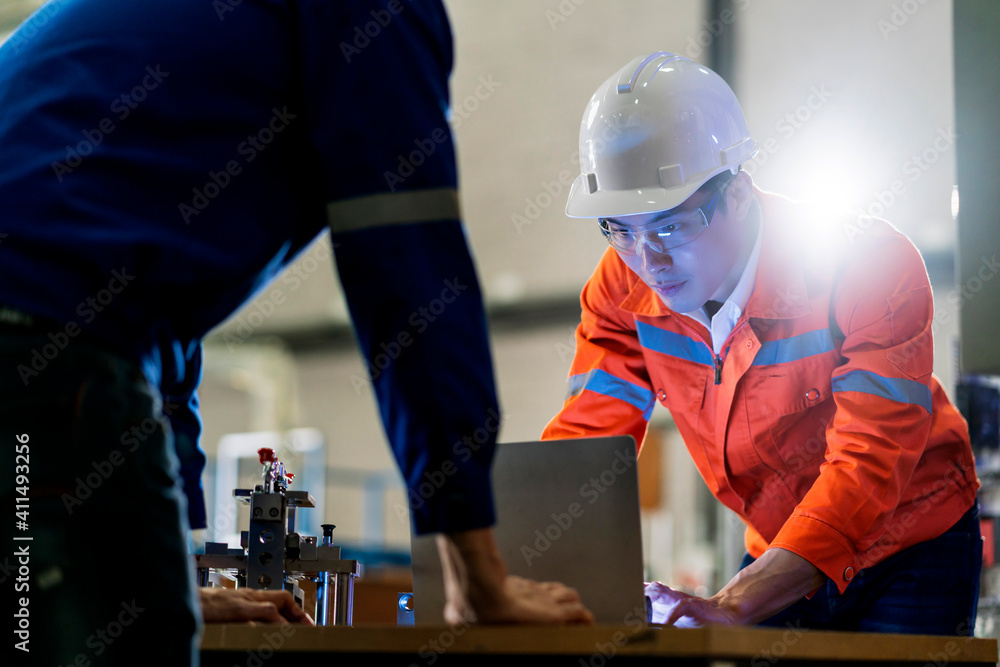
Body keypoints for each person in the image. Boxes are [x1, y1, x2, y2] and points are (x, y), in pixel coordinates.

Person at [0, 1, 591, 665]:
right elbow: (408, 268)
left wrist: (183, 570)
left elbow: (155, 313)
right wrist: (476, 572)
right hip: (38, 368)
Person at [543, 51, 982, 635]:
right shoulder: (621, 287)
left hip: (912, 546)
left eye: (671, 225)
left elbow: (866, 465)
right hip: (779, 544)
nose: (650, 261)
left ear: (740, 194)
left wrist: (734, 604)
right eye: (620, 229)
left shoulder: (866, 267)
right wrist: (531, 577)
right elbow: (586, 449)